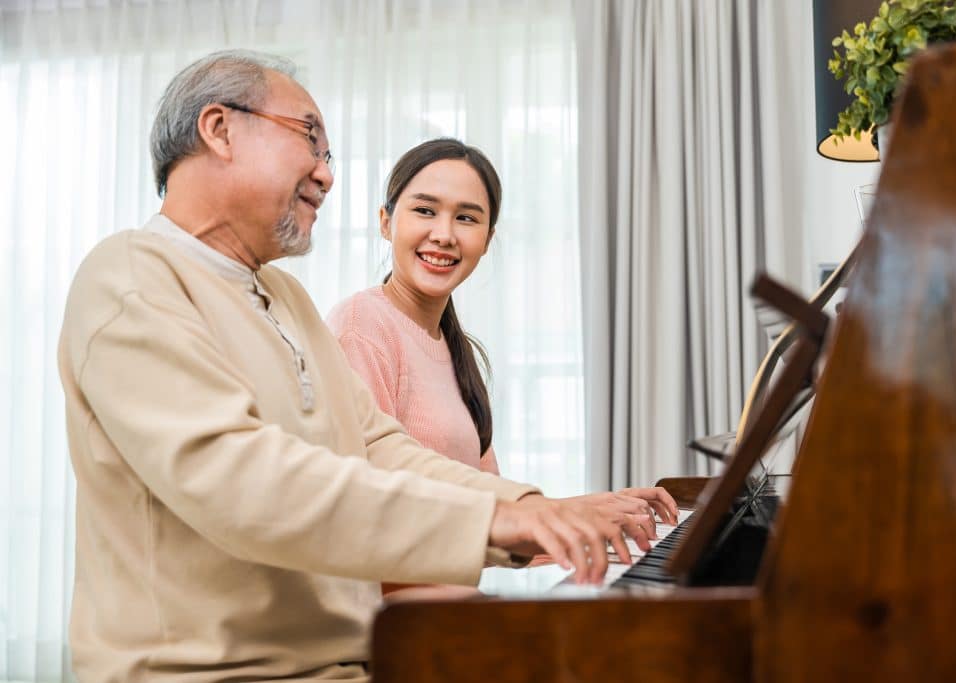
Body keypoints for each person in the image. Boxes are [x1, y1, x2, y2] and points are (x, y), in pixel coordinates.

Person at [58, 50, 644, 682]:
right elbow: (248, 485)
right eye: (310, 140)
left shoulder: (286, 298)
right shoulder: (131, 278)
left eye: (329, 157)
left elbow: (378, 446)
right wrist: (502, 520)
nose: (326, 176)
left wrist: (533, 508)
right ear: (219, 129)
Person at [325, 138, 678, 539]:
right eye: (425, 210)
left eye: (467, 218)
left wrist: (594, 520)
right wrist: (571, 514)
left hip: (459, 596)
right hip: (402, 603)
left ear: (487, 239)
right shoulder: (362, 326)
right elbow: (372, 500)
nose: (443, 235)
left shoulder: (455, 348)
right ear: (385, 222)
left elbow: (491, 526)